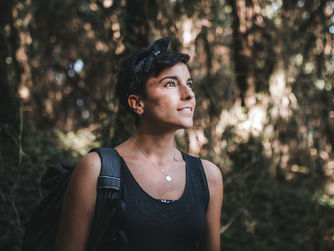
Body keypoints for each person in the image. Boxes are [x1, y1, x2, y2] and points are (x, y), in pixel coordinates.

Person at [54, 37, 223, 251]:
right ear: (137, 103)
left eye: (189, 84)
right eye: (170, 83)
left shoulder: (208, 177)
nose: (188, 94)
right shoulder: (96, 169)